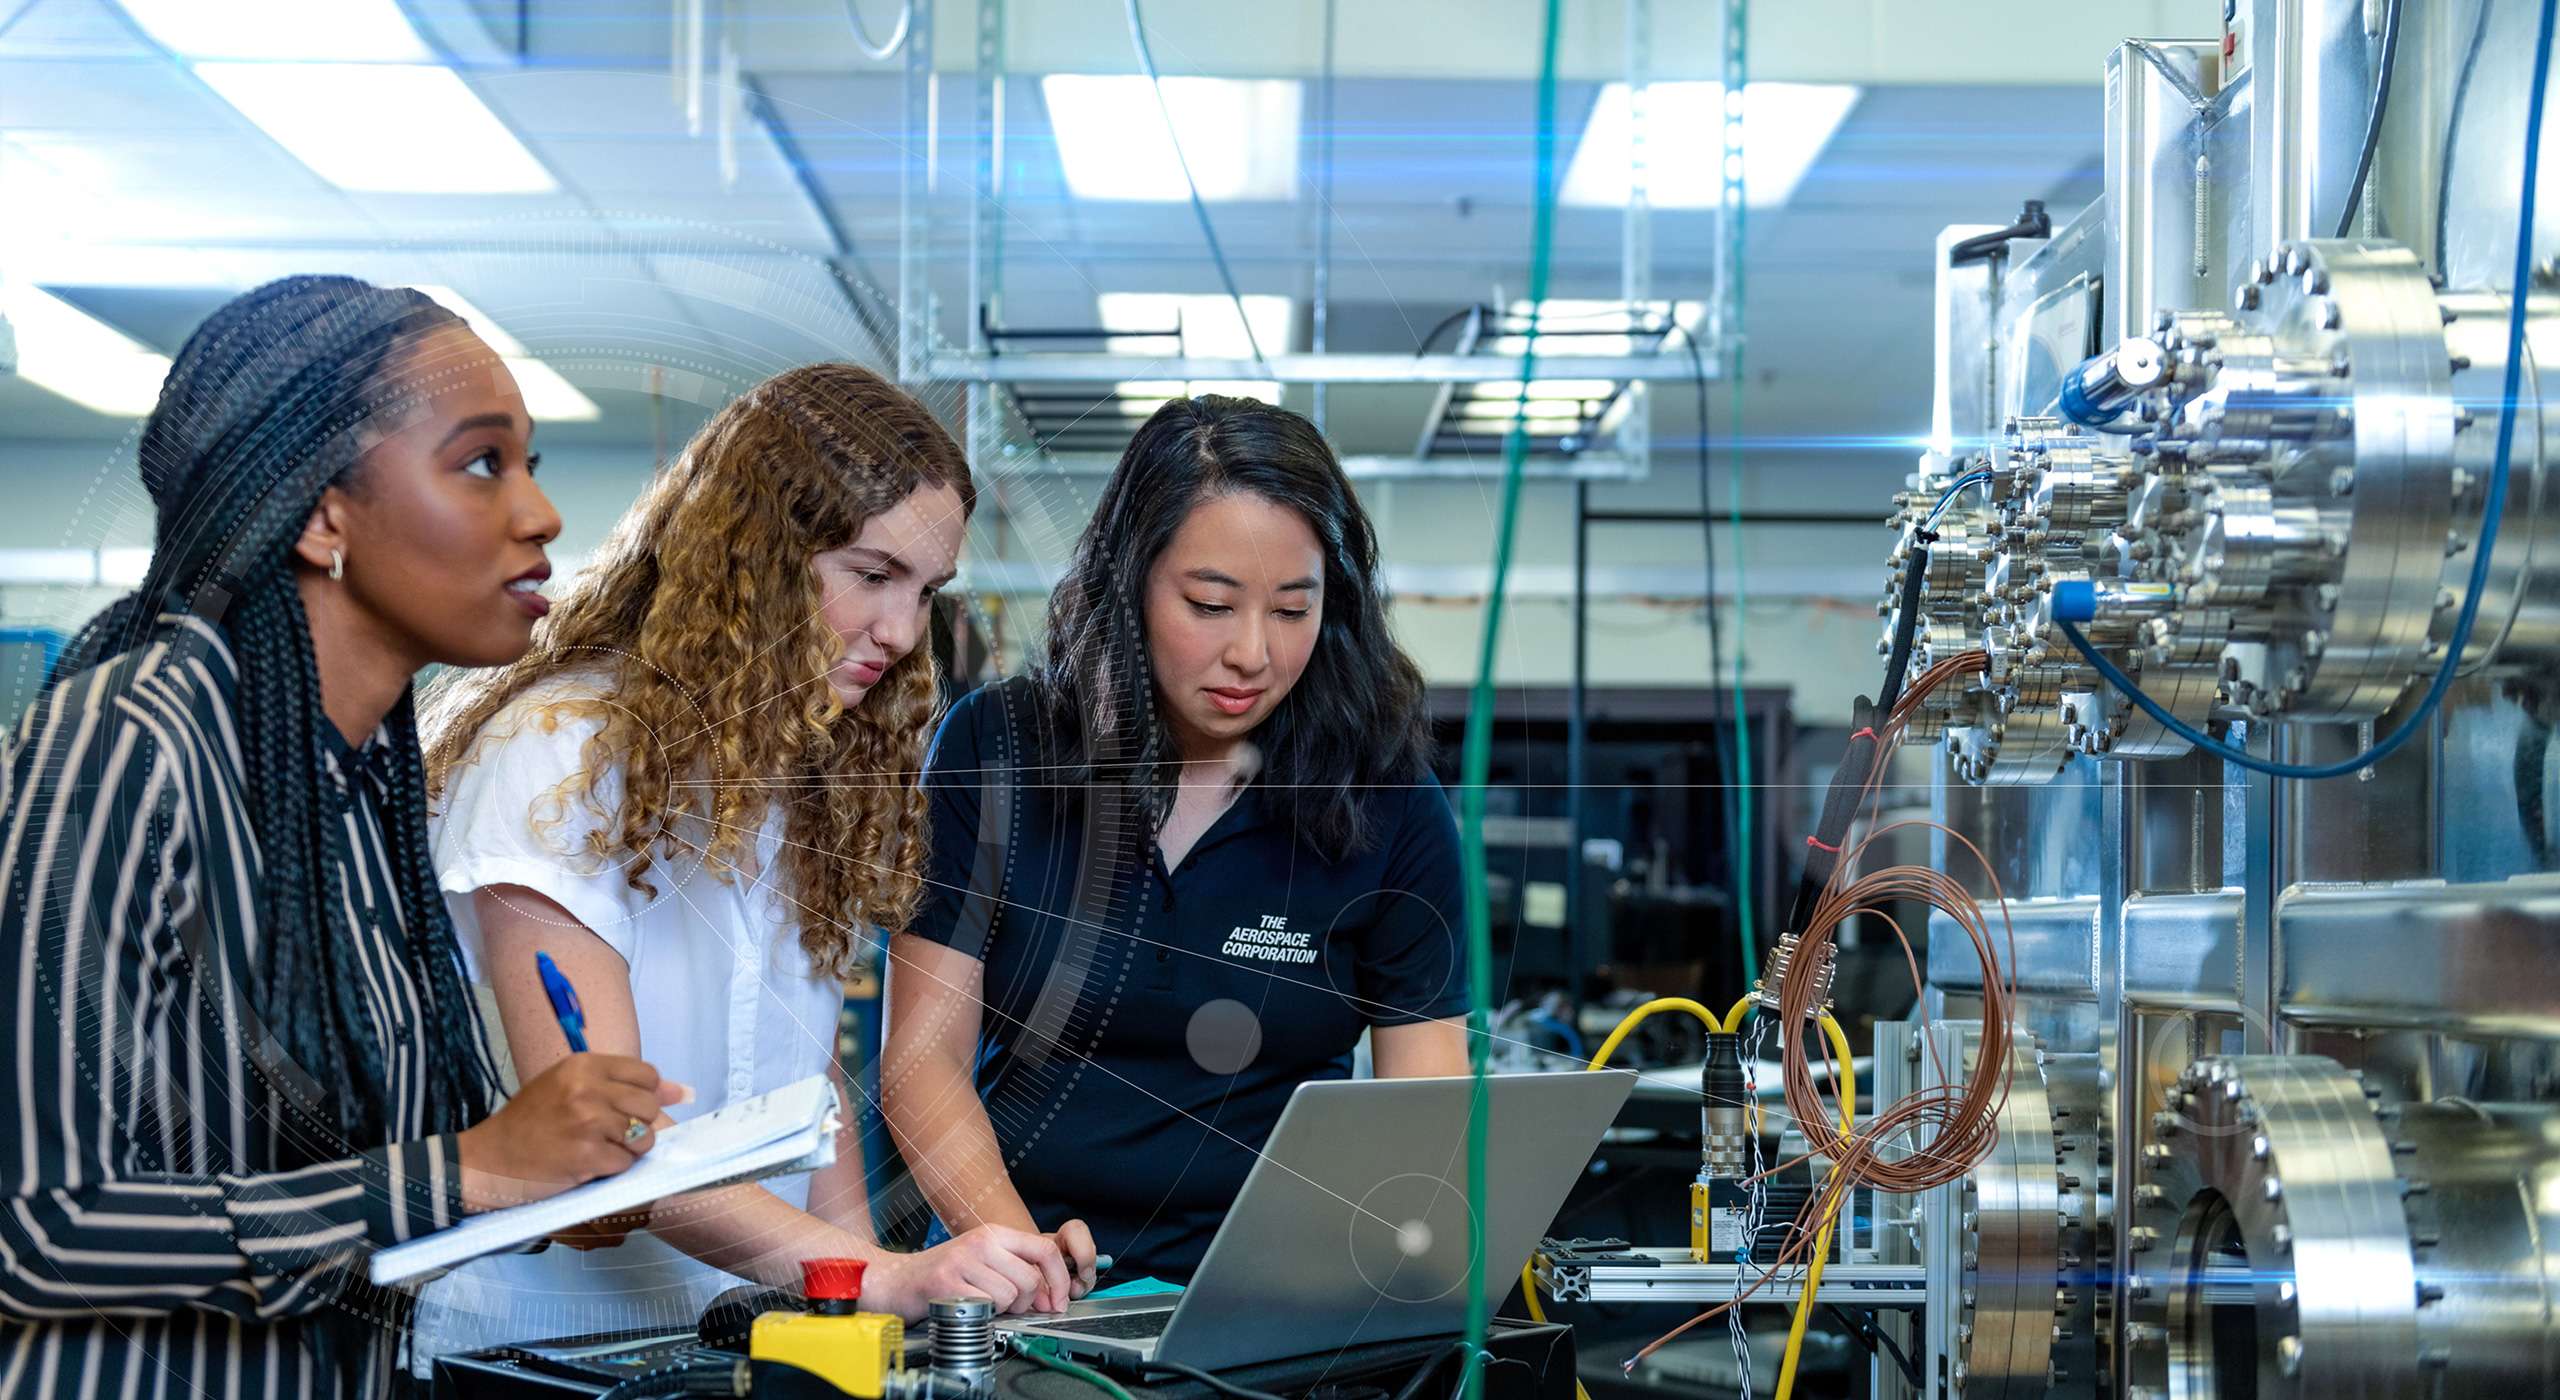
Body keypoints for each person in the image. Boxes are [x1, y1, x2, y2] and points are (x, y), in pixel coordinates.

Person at [0, 276, 683, 1398]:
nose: (540, 514)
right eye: (480, 462)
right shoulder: (129, 744)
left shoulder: (356, 778)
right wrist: (465, 1170)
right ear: (324, 515)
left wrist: (551, 1185)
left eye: (532, 466)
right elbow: (36, 1226)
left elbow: (389, 1173)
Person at [414, 363, 1084, 1367]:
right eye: (870, 574)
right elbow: (602, 1138)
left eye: (925, 590)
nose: (902, 634)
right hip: (543, 1342)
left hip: (739, 1335)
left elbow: (799, 1090)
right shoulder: (556, 752)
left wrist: (866, 1299)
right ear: (759, 556)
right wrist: (885, 1277)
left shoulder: (805, 771)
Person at [883, 394, 1470, 1283]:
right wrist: (1029, 1265)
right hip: (1016, 1277)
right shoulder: (997, 749)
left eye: (1291, 609)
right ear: (1132, 583)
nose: (1252, 654)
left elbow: (1422, 1115)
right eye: (1210, 603)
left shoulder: (1388, 798)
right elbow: (921, 1064)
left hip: (1273, 1295)